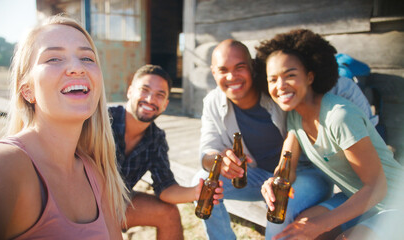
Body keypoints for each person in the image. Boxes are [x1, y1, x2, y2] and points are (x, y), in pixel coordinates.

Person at [192, 39, 379, 240]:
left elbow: (333, 86)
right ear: (213, 72)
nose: (232, 76)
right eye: (223, 70)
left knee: (280, 206)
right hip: (259, 175)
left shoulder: (278, 91)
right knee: (202, 183)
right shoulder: (213, 101)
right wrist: (219, 159)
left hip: (306, 174)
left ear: (253, 67)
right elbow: (208, 147)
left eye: (240, 67)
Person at [0, 15, 128, 239]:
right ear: (27, 90)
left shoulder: (95, 174)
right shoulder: (1, 165)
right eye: (54, 59)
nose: (77, 68)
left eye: (87, 58)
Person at [258, 29, 404, 239]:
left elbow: (377, 186)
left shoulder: (339, 117)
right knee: (297, 233)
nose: (280, 86)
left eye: (290, 75)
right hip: (353, 197)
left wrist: (324, 224)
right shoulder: (295, 116)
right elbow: (286, 168)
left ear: (310, 76)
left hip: (394, 202)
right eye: (273, 79)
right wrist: (273, 182)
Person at [108, 64, 224, 240]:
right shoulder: (102, 120)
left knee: (168, 213)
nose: (150, 99)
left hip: (115, 204)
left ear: (165, 105)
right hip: (74, 204)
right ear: (130, 91)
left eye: (159, 95)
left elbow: (165, 188)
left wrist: (196, 192)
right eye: (144, 90)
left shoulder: (156, 138)